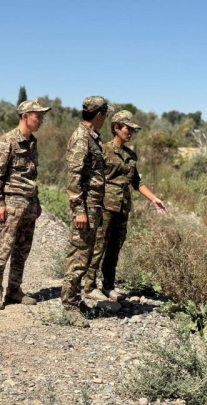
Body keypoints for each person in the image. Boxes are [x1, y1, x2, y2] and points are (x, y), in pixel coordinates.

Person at [84, 110, 168, 302]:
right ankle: (89, 286)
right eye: (127, 129)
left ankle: (108, 286)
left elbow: (136, 182)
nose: (130, 133)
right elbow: (91, 178)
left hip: (122, 208)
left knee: (114, 248)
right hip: (105, 206)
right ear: (116, 128)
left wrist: (153, 198)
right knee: (98, 246)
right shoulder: (102, 150)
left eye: (132, 130)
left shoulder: (130, 155)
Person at [0, 98, 51, 310]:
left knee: (22, 250)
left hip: (29, 204)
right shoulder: (8, 140)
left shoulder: (32, 142)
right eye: (37, 116)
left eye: (42, 116)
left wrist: (37, 201)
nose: (41, 120)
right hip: (11, 204)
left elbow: (32, 175)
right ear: (25, 116)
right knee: (4, 248)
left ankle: (14, 290)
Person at [61, 96, 112, 321]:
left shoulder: (91, 137)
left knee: (85, 255)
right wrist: (79, 210)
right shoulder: (82, 138)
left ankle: (75, 300)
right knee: (78, 257)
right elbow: (75, 176)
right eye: (106, 114)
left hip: (93, 206)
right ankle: (69, 306)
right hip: (85, 207)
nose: (106, 118)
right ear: (99, 114)